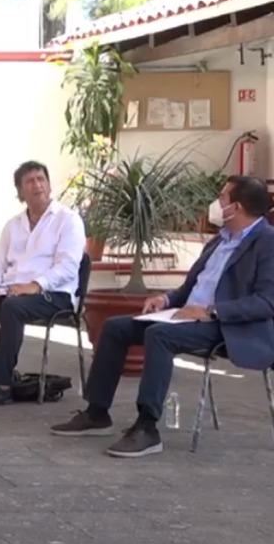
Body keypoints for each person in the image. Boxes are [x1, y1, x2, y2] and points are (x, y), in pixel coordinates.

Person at [51, 175, 274, 457]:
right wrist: (166, 299)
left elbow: (267, 302)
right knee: (116, 327)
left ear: (237, 207)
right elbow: (192, 287)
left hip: (227, 326)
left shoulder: (267, 242)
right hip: (188, 316)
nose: (215, 204)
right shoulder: (219, 241)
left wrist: (210, 311)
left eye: (222, 198)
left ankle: (147, 427)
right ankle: (97, 412)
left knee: (160, 335)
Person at [0, 160, 86, 408]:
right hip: (11, 293)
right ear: (20, 193)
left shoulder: (68, 220)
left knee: (13, 308)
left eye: (41, 179)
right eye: (30, 181)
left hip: (53, 294)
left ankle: (1, 386)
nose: (37, 185)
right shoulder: (13, 225)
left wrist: (36, 285)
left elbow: (68, 267)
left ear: (49, 185)